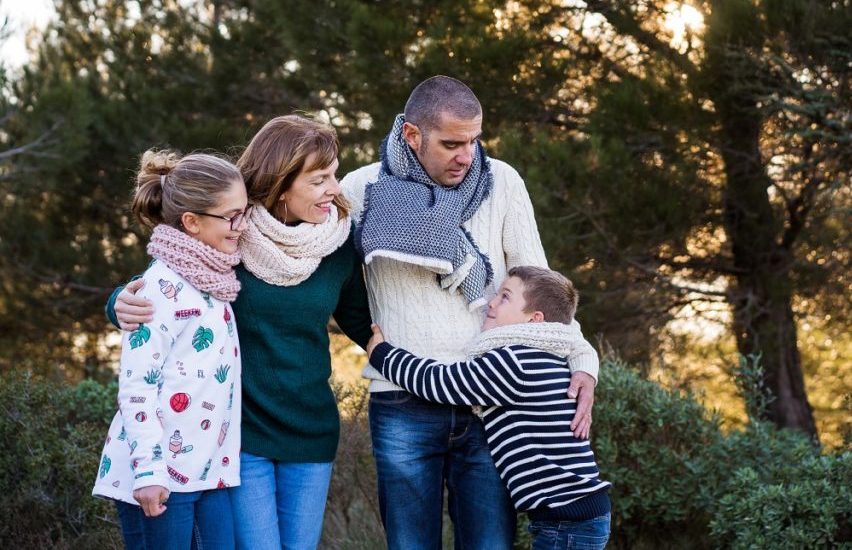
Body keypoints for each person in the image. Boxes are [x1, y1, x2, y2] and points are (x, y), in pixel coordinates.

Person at [342, 75, 601, 549]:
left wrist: (583, 360)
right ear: (411, 136)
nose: (467, 156)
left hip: (491, 403)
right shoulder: (361, 190)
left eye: (474, 141)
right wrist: (372, 346)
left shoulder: (501, 180)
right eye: (452, 143)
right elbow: (330, 283)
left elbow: (542, 288)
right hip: (401, 401)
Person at [108, 115, 373, 550]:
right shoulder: (233, 235)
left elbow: (361, 323)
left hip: (310, 432)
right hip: (242, 434)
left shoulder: (338, 246)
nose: (335, 188)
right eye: (320, 178)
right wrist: (118, 300)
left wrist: (418, 366)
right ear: (282, 183)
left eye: (335, 175)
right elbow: (167, 280)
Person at [366, 265, 611, 550]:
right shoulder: (548, 357)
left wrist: (384, 356)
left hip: (567, 522)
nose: (491, 302)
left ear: (535, 319)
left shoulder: (514, 362)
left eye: (505, 297)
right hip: (575, 516)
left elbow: (442, 382)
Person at [93, 149, 248, 549]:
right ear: (192, 222)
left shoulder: (217, 282)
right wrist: (149, 472)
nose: (241, 226)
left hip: (208, 471)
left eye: (244, 212)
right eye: (231, 216)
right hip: (159, 475)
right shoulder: (160, 288)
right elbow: (136, 387)